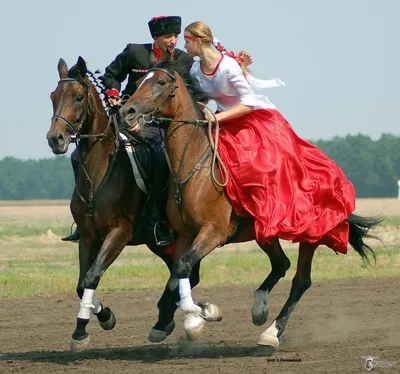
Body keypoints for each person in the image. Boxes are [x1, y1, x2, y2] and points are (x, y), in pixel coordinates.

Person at [62, 16, 253, 245]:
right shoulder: (134, 53)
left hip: (159, 127)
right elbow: (112, 75)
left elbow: (197, 95)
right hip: (123, 119)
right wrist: (113, 97)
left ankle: (157, 220)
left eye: (175, 36)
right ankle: (83, 218)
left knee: (161, 159)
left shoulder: (185, 62)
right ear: (156, 38)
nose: (172, 41)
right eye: (167, 37)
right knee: (77, 155)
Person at [182, 21, 356, 254]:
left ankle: (266, 215)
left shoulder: (229, 67)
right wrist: (203, 111)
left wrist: (218, 119)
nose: (184, 45)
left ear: (198, 41)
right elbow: (202, 98)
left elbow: (249, 103)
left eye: (187, 40)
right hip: (220, 121)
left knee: (255, 166)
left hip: (250, 121)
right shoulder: (195, 69)